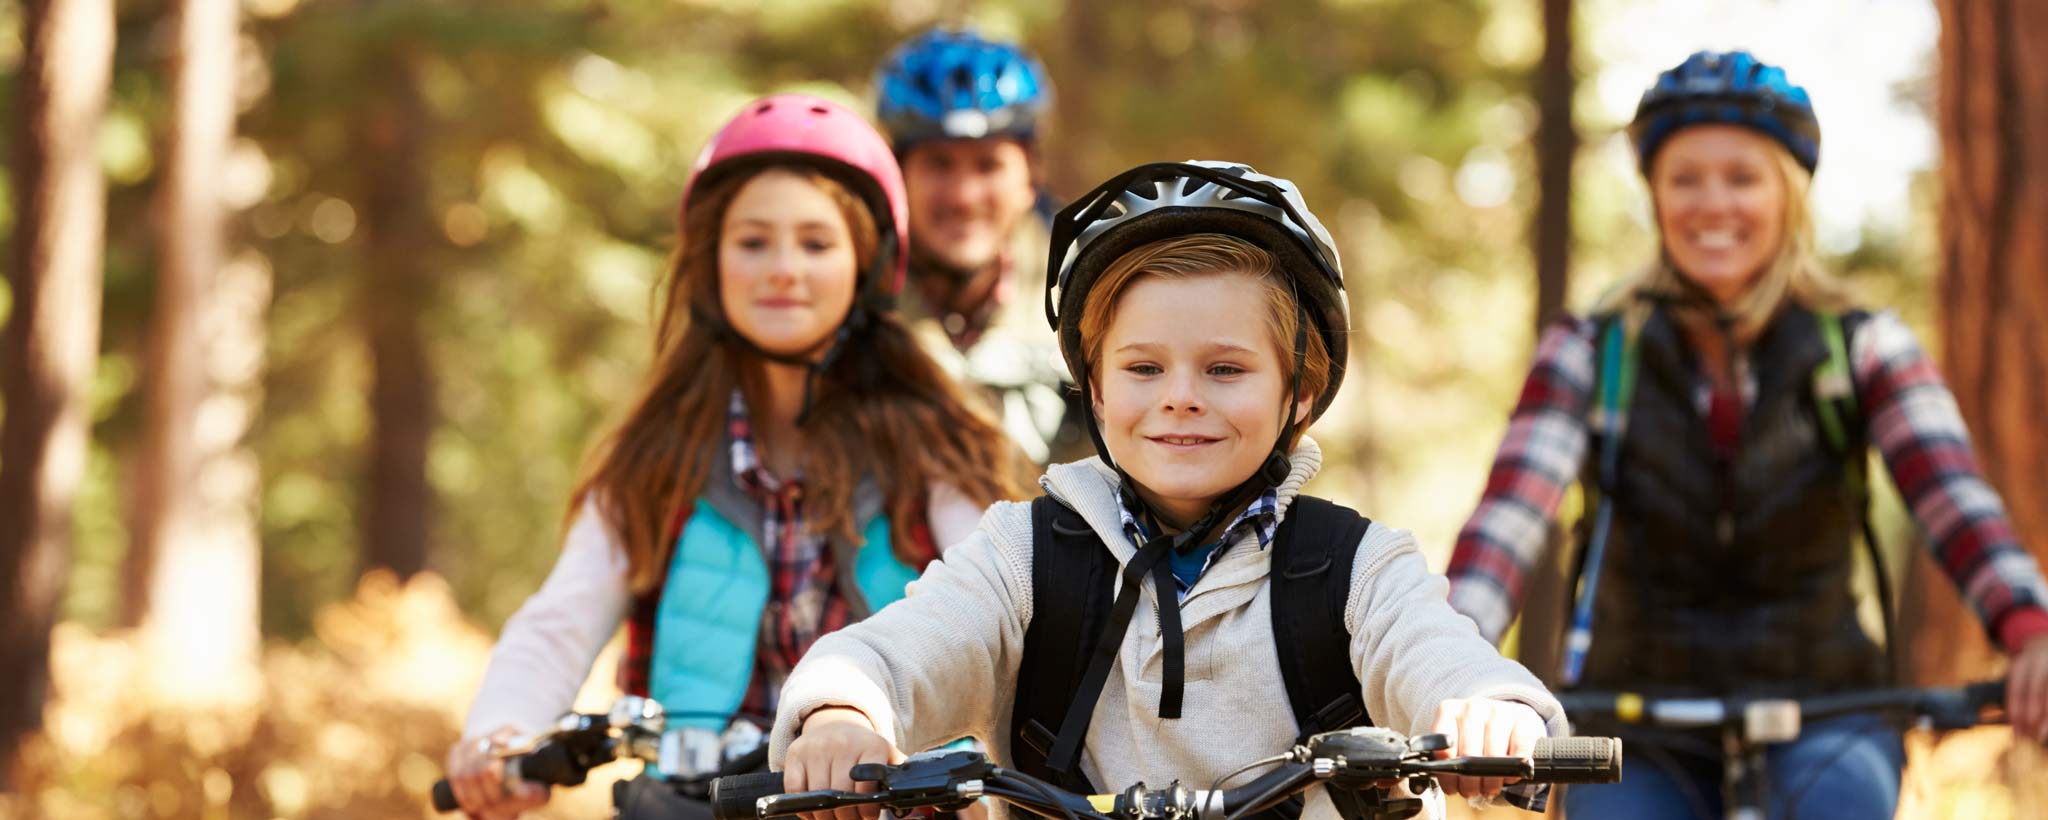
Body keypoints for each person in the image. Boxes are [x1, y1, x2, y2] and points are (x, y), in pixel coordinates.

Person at [769, 161, 1569, 820]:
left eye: (1225, 369)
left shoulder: (1355, 566)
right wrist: (845, 712)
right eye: (1143, 368)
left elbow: (1441, 654)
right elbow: (897, 649)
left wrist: (1492, 707)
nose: (1180, 397)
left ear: (1299, 391)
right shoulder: (1022, 556)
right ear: (1097, 390)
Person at [1443, 50, 2048, 819]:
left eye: (1741, 178)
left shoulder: (1861, 346)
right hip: (1632, 715)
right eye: (1685, 178)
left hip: (1828, 705)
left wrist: (2030, 630)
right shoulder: (1593, 348)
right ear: (1655, 196)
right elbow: (1507, 522)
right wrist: (1451, 665)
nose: (1711, 203)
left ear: (1788, 197)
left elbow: (1955, 503)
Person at [442, 94, 1030, 819]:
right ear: (711, 261)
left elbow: (993, 610)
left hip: (885, 804)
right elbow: (561, 619)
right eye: (753, 242)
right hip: (694, 801)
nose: (783, 269)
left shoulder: (934, 440)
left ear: (868, 266)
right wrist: (503, 732)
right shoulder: (656, 454)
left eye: (816, 244)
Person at [874, 27, 1086, 464]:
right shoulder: (846, 301)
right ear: (897, 174)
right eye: (939, 164)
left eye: (988, 165)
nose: (964, 196)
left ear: (1031, 176)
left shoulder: (1092, 299)